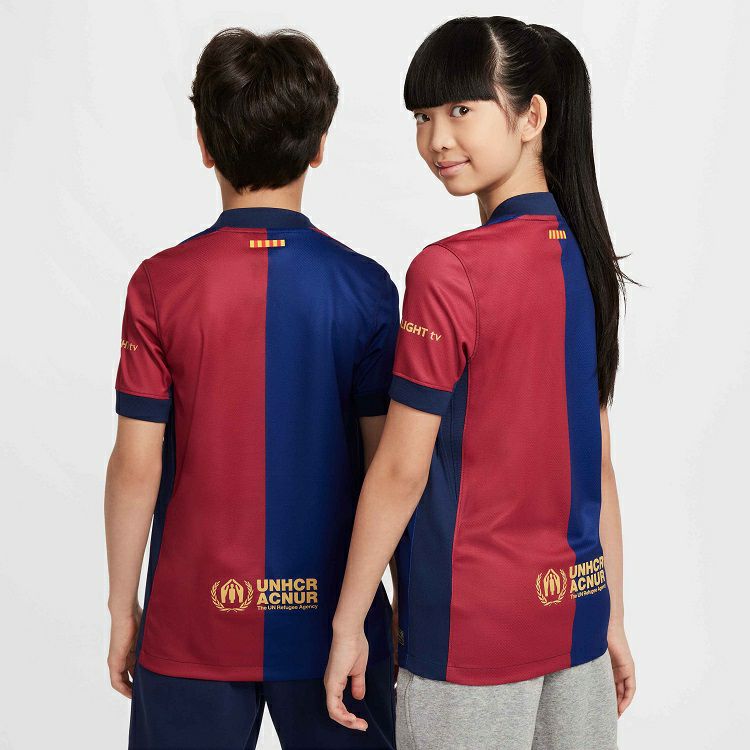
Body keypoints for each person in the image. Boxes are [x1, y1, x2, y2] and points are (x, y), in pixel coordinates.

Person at [324, 16, 636, 750]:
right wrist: (613, 616)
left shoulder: (448, 270)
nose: (438, 139)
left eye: (461, 109)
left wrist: (349, 623)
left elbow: (400, 469)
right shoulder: (584, 255)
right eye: (422, 116)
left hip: (469, 635)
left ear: (532, 116)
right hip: (577, 619)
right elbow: (596, 462)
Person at [104, 27, 398, 750]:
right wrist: (405, 612)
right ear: (319, 146)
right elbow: (388, 469)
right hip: (336, 623)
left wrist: (122, 608)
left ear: (205, 144)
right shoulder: (366, 288)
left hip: (191, 621)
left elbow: (136, 464)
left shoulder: (159, 285)